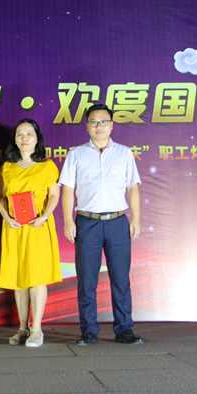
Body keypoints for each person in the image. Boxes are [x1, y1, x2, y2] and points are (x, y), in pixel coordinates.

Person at [59, 104, 144, 346]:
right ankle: (89, 331)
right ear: (87, 126)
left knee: (120, 279)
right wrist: (68, 220)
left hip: (118, 222)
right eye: (94, 122)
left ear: (111, 125)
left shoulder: (124, 153)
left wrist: (136, 218)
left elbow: (132, 188)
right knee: (87, 280)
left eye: (103, 121)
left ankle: (124, 329)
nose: (99, 126)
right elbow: (68, 189)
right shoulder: (76, 154)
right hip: (87, 223)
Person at [0, 119, 61, 348]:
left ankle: (37, 328)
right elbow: (0, 196)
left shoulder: (47, 166)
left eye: (29, 134)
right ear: (15, 139)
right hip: (14, 227)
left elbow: (54, 195)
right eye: (20, 134)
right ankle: (22, 327)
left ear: (37, 138)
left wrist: (44, 216)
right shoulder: (7, 167)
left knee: (37, 276)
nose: (24, 138)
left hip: (37, 226)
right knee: (19, 278)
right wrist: (7, 217)